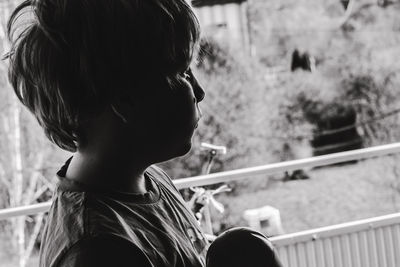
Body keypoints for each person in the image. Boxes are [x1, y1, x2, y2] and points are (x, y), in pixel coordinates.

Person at [6, 0, 283, 266]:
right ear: (124, 98)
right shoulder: (100, 251)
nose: (199, 92)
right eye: (182, 73)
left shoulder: (150, 179)